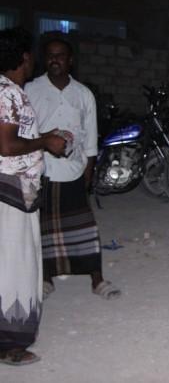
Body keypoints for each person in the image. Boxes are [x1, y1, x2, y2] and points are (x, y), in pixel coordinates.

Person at [25, 38, 121, 300]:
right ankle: (46, 278)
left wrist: (88, 171)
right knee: (43, 230)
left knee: (84, 227)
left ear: (70, 60)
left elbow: (90, 137)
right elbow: (23, 133)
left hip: (74, 170)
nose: (54, 60)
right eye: (50, 55)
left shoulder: (83, 94)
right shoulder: (31, 90)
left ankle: (97, 279)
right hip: (42, 170)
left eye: (60, 55)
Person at [0, 27, 66, 365]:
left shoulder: (7, 91)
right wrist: (45, 142)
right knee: (16, 267)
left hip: (11, 189)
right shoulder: (8, 93)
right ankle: (9, 344)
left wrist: (43, 137)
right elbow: (7, 145)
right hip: (11, 192)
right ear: (24, 57)